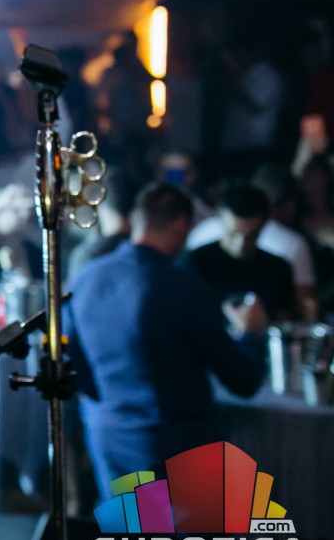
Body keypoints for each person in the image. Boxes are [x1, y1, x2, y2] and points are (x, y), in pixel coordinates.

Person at [63, 182, 267, 500]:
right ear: (181, 227)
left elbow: (70, 360)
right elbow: (241, 380)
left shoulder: (88, 277)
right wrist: (251, 334)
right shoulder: (182, 287)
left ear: (135, 219)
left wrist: (111, 407)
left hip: (111, 435)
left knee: (132, 528)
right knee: (184, 533)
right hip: (176, 444)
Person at [185, 182, 298, 323]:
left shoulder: (279, 268)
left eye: (251, 236)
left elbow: (284, 323)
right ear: (220, 219)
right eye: (233, 234)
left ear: (264, 225)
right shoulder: (195, 263)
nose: (241, 244)